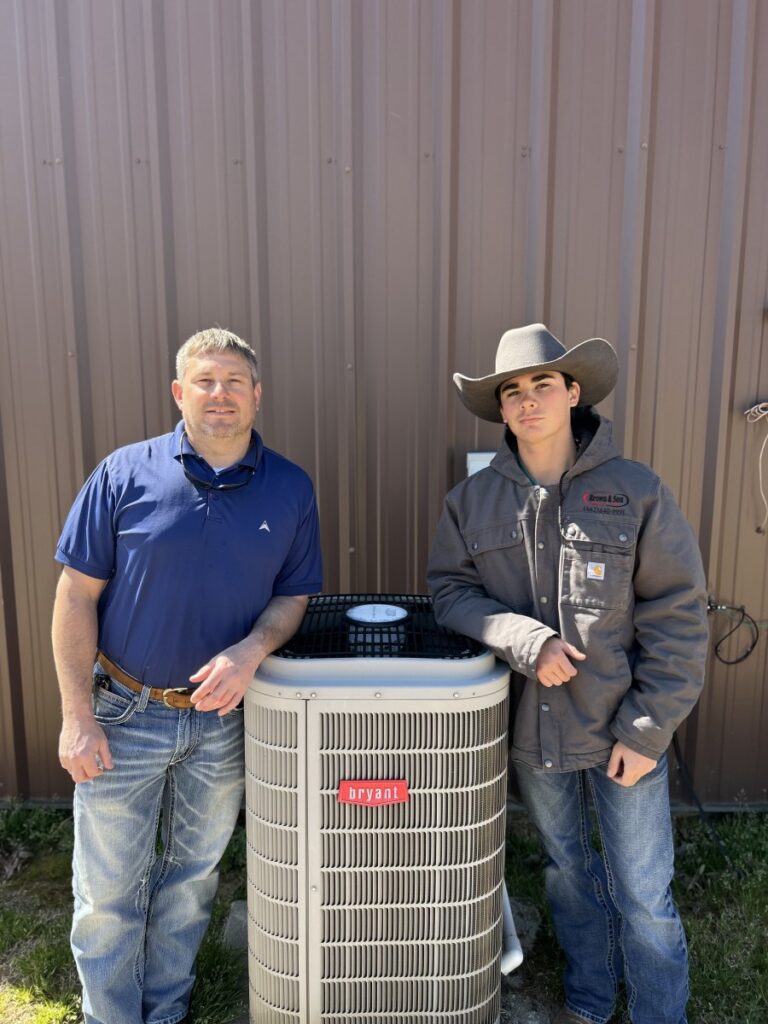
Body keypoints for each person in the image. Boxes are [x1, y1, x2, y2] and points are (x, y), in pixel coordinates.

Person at [427, 324, 708, 1024]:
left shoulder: (636, 491)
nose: (527, 400)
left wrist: (646, 731)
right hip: (534, 730)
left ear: (573, 392)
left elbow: (678, 617)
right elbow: (451, 593)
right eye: (512, 391)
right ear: (501, 408)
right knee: (569, 873)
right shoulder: (472, 502)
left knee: (643, 890)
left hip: (622, 726)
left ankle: (658, 1012)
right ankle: (590, 997)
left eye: (542, 384)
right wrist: (525, 639)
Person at [52, 328, 322, 1024]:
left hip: (222, 722)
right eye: (205, 380)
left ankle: (166, 1008)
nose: (219, 393)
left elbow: (293, 598)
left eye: (234, 381)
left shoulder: (291, 488)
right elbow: (75, 595)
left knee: (192, 879)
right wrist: (77, 716)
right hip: (122, 713)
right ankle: (111, 1015)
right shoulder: (123, 473)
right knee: (107, 891)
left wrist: (251, 650)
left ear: (257, 395)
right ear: (180, 392)